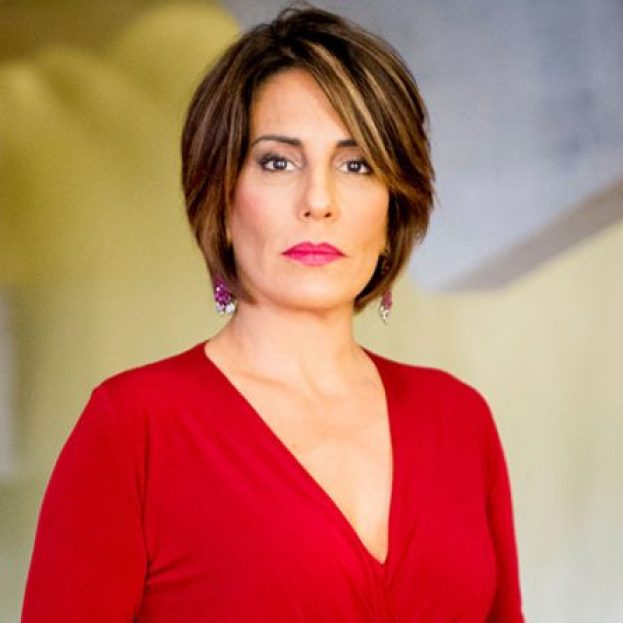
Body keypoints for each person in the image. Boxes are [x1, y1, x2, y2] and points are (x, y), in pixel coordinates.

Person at [22, 6, 524, 622]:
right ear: (221, 197)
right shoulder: (134, 429)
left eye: (357, 164)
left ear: (394, 209)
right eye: (278, 162)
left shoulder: (459, 420)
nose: (319, 201)